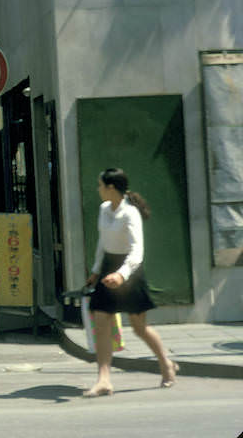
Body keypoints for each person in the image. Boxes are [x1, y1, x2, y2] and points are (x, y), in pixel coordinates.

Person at [82, 168, 178, 397]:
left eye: (100, 185)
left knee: (139, 327)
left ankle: (165, 363)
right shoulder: (104, 209)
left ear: (111, 188)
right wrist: (96, 271)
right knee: (102, 322)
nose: (98, 190)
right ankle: (103, 379)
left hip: (129, 272)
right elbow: (102, 243)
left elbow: (137, 251)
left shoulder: (130, 213)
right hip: (107, 268)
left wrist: (121, 275)